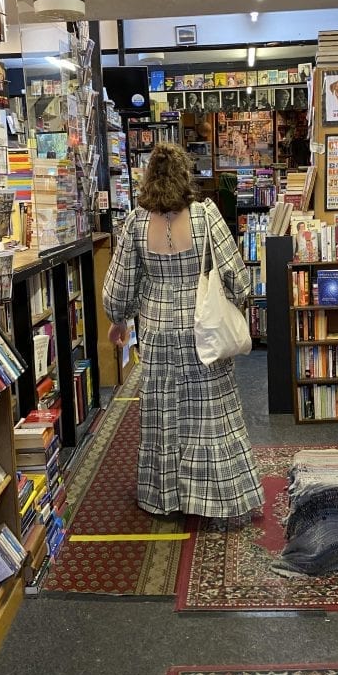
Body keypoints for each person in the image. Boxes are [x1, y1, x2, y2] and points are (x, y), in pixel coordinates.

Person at [102, 141, 264, 520]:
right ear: (184, 176)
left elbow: (119, 287)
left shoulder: (137, 222)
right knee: (211, 413)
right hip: (203, 327)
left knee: (164, 413)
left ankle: (166, 498)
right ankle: (217, 500)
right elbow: (238, 278)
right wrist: (234, 302)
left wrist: (119, 319)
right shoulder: (207, 216)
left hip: (157, 331)